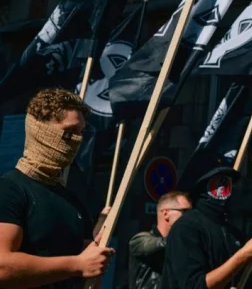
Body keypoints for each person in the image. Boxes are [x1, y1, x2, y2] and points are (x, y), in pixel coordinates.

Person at [0, 88, 114, 288]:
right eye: (69, 133)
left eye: (81, 133)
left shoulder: (73, 202)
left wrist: (97, 250)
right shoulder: (9, 190)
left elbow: (90, 270)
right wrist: (76, 265)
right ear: (40, 130)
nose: (77, 141)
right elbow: (2, 267)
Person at [160, 167, 252, 289]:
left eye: (228, 183)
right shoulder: (186, 228)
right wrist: (243, 255)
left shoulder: (233, 233)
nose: (224, 188)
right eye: (218, 183)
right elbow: (194, 285)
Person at [129, 191, 192, 289]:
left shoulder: (185, 245)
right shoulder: (140, 240)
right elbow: (150, 246)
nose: (190, 218)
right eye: (185, 212)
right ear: (166, 214)